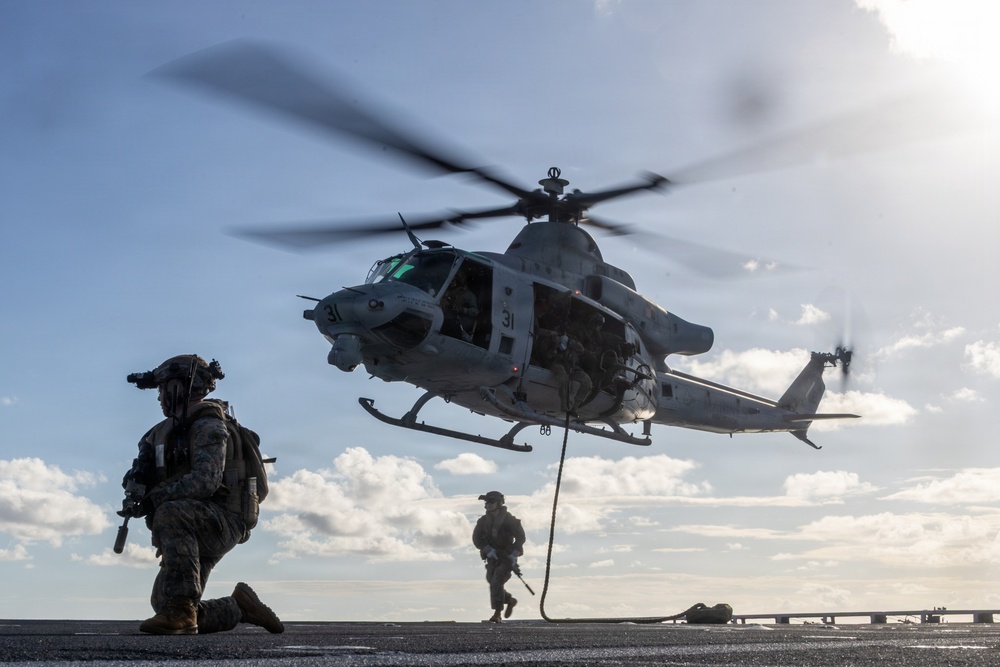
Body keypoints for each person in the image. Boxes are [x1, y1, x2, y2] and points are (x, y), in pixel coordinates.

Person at [121, 354, 284, 635]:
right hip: (193, 524)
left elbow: (204, 482)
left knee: (171, 514)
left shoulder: (208, 424)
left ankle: (183, 612)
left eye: (163, 389)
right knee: (162, 602)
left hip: (221, 520)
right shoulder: (162, 432)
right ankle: (238, 607)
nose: (160, 397)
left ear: (179, 388)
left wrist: (156, 500)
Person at [471, 490, 526, 623]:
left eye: (492, 502)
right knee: (491, 580)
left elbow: (520, 537)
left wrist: (514, 553)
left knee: (497, 580)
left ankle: (497, 613)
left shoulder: (510, 520)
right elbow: (476, 538)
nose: (489, 505)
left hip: (506, 556)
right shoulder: (483, 521)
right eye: (487, 502)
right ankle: (509, 600)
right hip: (492, 557)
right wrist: (486, 549)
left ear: (499, 503)